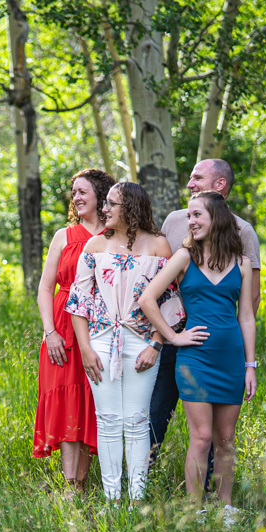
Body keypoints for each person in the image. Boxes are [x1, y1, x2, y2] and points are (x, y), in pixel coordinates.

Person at [140, 191, 258, 525]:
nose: (190, 221)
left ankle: (225, 508)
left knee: (226, 439)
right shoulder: (184, 257)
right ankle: (196, 510)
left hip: (232, 360)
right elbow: (148, 298)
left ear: (216, 217)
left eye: (196, 215)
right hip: (195, 360)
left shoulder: (242, 264)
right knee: (202, 437)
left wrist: (250, 366)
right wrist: (175, 337)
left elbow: (246, 317)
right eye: (189, 216)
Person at [65, 182, 183, 504]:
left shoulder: (159, 246)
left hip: (143, 343)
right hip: (101, 341)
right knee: (108, 421)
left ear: (130, 207)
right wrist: (86, 348)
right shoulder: (94, 247)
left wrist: (156, 344)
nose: (104, 209)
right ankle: (112, 498)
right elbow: (78, 303)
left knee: (137, 420)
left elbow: (171, 304)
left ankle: (137, 500)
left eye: (111, 204)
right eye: (105, 203)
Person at [33, 168, 115, 491]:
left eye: (83, 192)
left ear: (101, 195)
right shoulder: (63, 236)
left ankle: (84, 478)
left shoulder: (114, 236)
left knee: (93, 402)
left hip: (101, 326)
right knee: (67, 401)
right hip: (63, 328)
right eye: (74, 192)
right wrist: (49, 331)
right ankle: (72, 486)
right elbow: (44, 288)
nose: (76, 197)